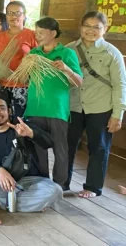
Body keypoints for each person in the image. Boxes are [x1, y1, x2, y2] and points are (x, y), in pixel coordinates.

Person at [66, 11, 126, 198]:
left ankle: (92, 187)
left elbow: (120, 84)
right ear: (80, 27)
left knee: (99, 148)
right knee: (66, 146)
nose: (91, 31)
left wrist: (118, 114)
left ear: (104, 29)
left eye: (96, 27)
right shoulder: (69, 49)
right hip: (72, 106)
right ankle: (61, 183)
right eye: (87, 26)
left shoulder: (111, 53)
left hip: (100, 107)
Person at [0, 90, 63, 213]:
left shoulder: (22, 127)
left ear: (9, 110)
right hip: (2, 182)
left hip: (29, 180)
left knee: (56, 190)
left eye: (1, 108)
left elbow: (49, 143)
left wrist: (31, 133)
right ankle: (30, 201)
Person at [25, 17, 82, 190]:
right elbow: (23, 78)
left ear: (53, 33)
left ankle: (60, 186)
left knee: (60, 149)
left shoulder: (67, 54)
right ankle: (42, 184)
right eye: (36, 32)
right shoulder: (34, 54)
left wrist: (66, 68)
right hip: (35, 108)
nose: (38, 35)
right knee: (38, 149)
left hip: (57, 109)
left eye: (41, 32)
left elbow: (79, 82)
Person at [0, 1, 38, 118]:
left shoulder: (32, 35)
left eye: (18, 13)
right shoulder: (0, 37)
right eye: (10, 13)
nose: (14, 16)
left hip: (23, 87)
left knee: (20, 122)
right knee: (2, 120)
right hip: (2, 85)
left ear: (24, 16)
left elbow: (39, 62)